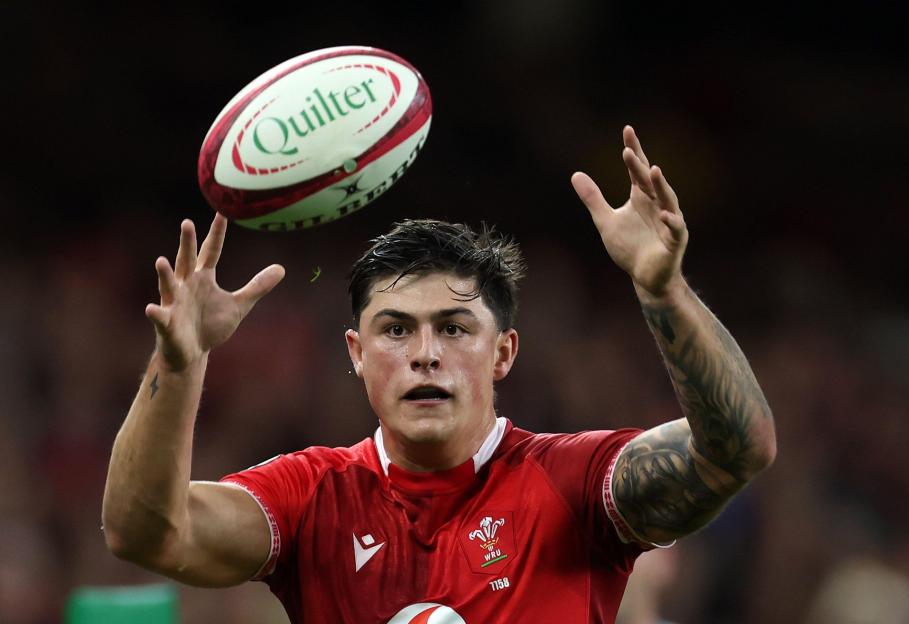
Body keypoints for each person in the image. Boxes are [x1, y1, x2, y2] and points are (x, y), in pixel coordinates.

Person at [102, 127, 776, 623]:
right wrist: (178, 361)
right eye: (395, 329)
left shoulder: (573, 485)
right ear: (356, 353)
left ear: (504, 352)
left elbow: (737, 451)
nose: (425, 353)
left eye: (454, 329)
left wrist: (665, 293)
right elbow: (143, 534)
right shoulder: (312, 500)